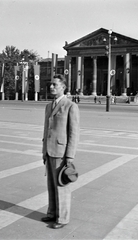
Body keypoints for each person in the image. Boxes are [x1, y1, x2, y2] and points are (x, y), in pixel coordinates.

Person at [42, 74, 80, 229]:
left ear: (63, 87)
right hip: (50, 151)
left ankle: (62, 219)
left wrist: (70, 155)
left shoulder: (70, 106)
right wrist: (44, 151)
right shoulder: (48, 106)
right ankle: (52, 213)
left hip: (62, 152)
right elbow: (46, 130)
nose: (51, 87)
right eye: (50, 84)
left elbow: (74, 132)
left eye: (55, 84)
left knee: (61, 186)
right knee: (51, 184)